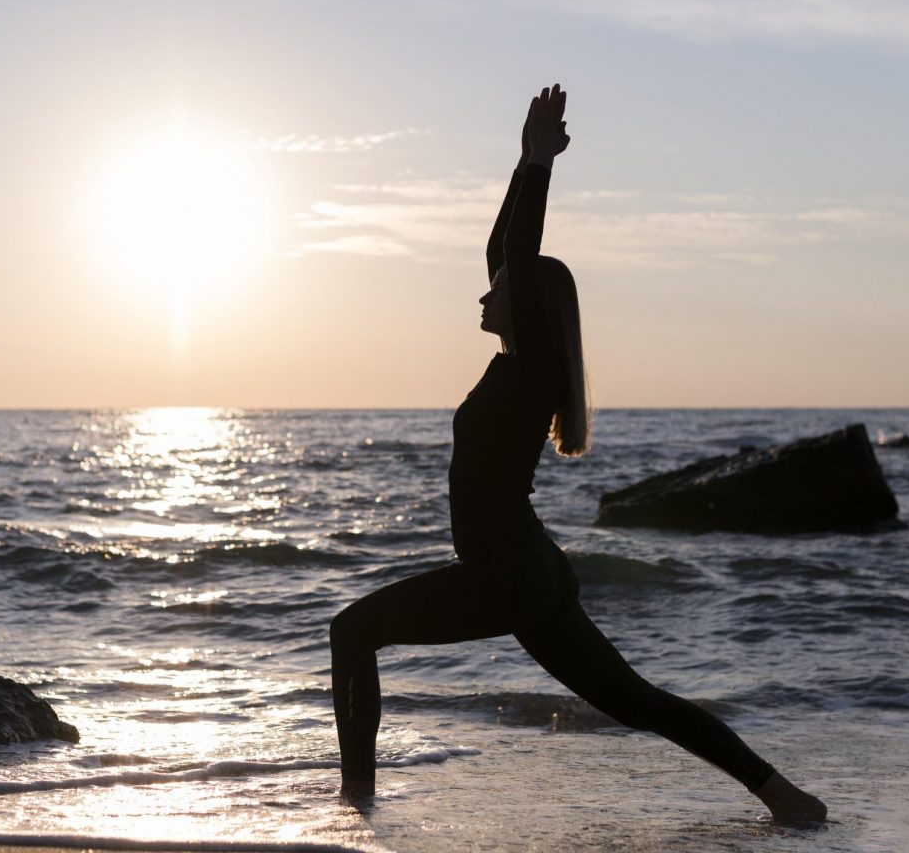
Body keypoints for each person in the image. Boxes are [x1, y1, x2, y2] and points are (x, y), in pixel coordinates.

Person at [329, 84, 827, 825]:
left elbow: (516, 256)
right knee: (635, 703)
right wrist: (519, 160)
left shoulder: (534, 374)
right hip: (528, 573)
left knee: (352, 631)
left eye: (497, 291)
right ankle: (782, 796)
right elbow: (502, 251)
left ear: (527, 304)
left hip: (508, 573)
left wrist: (538, 165)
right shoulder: (518, 367)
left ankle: (355, 799)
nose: (483, 294)